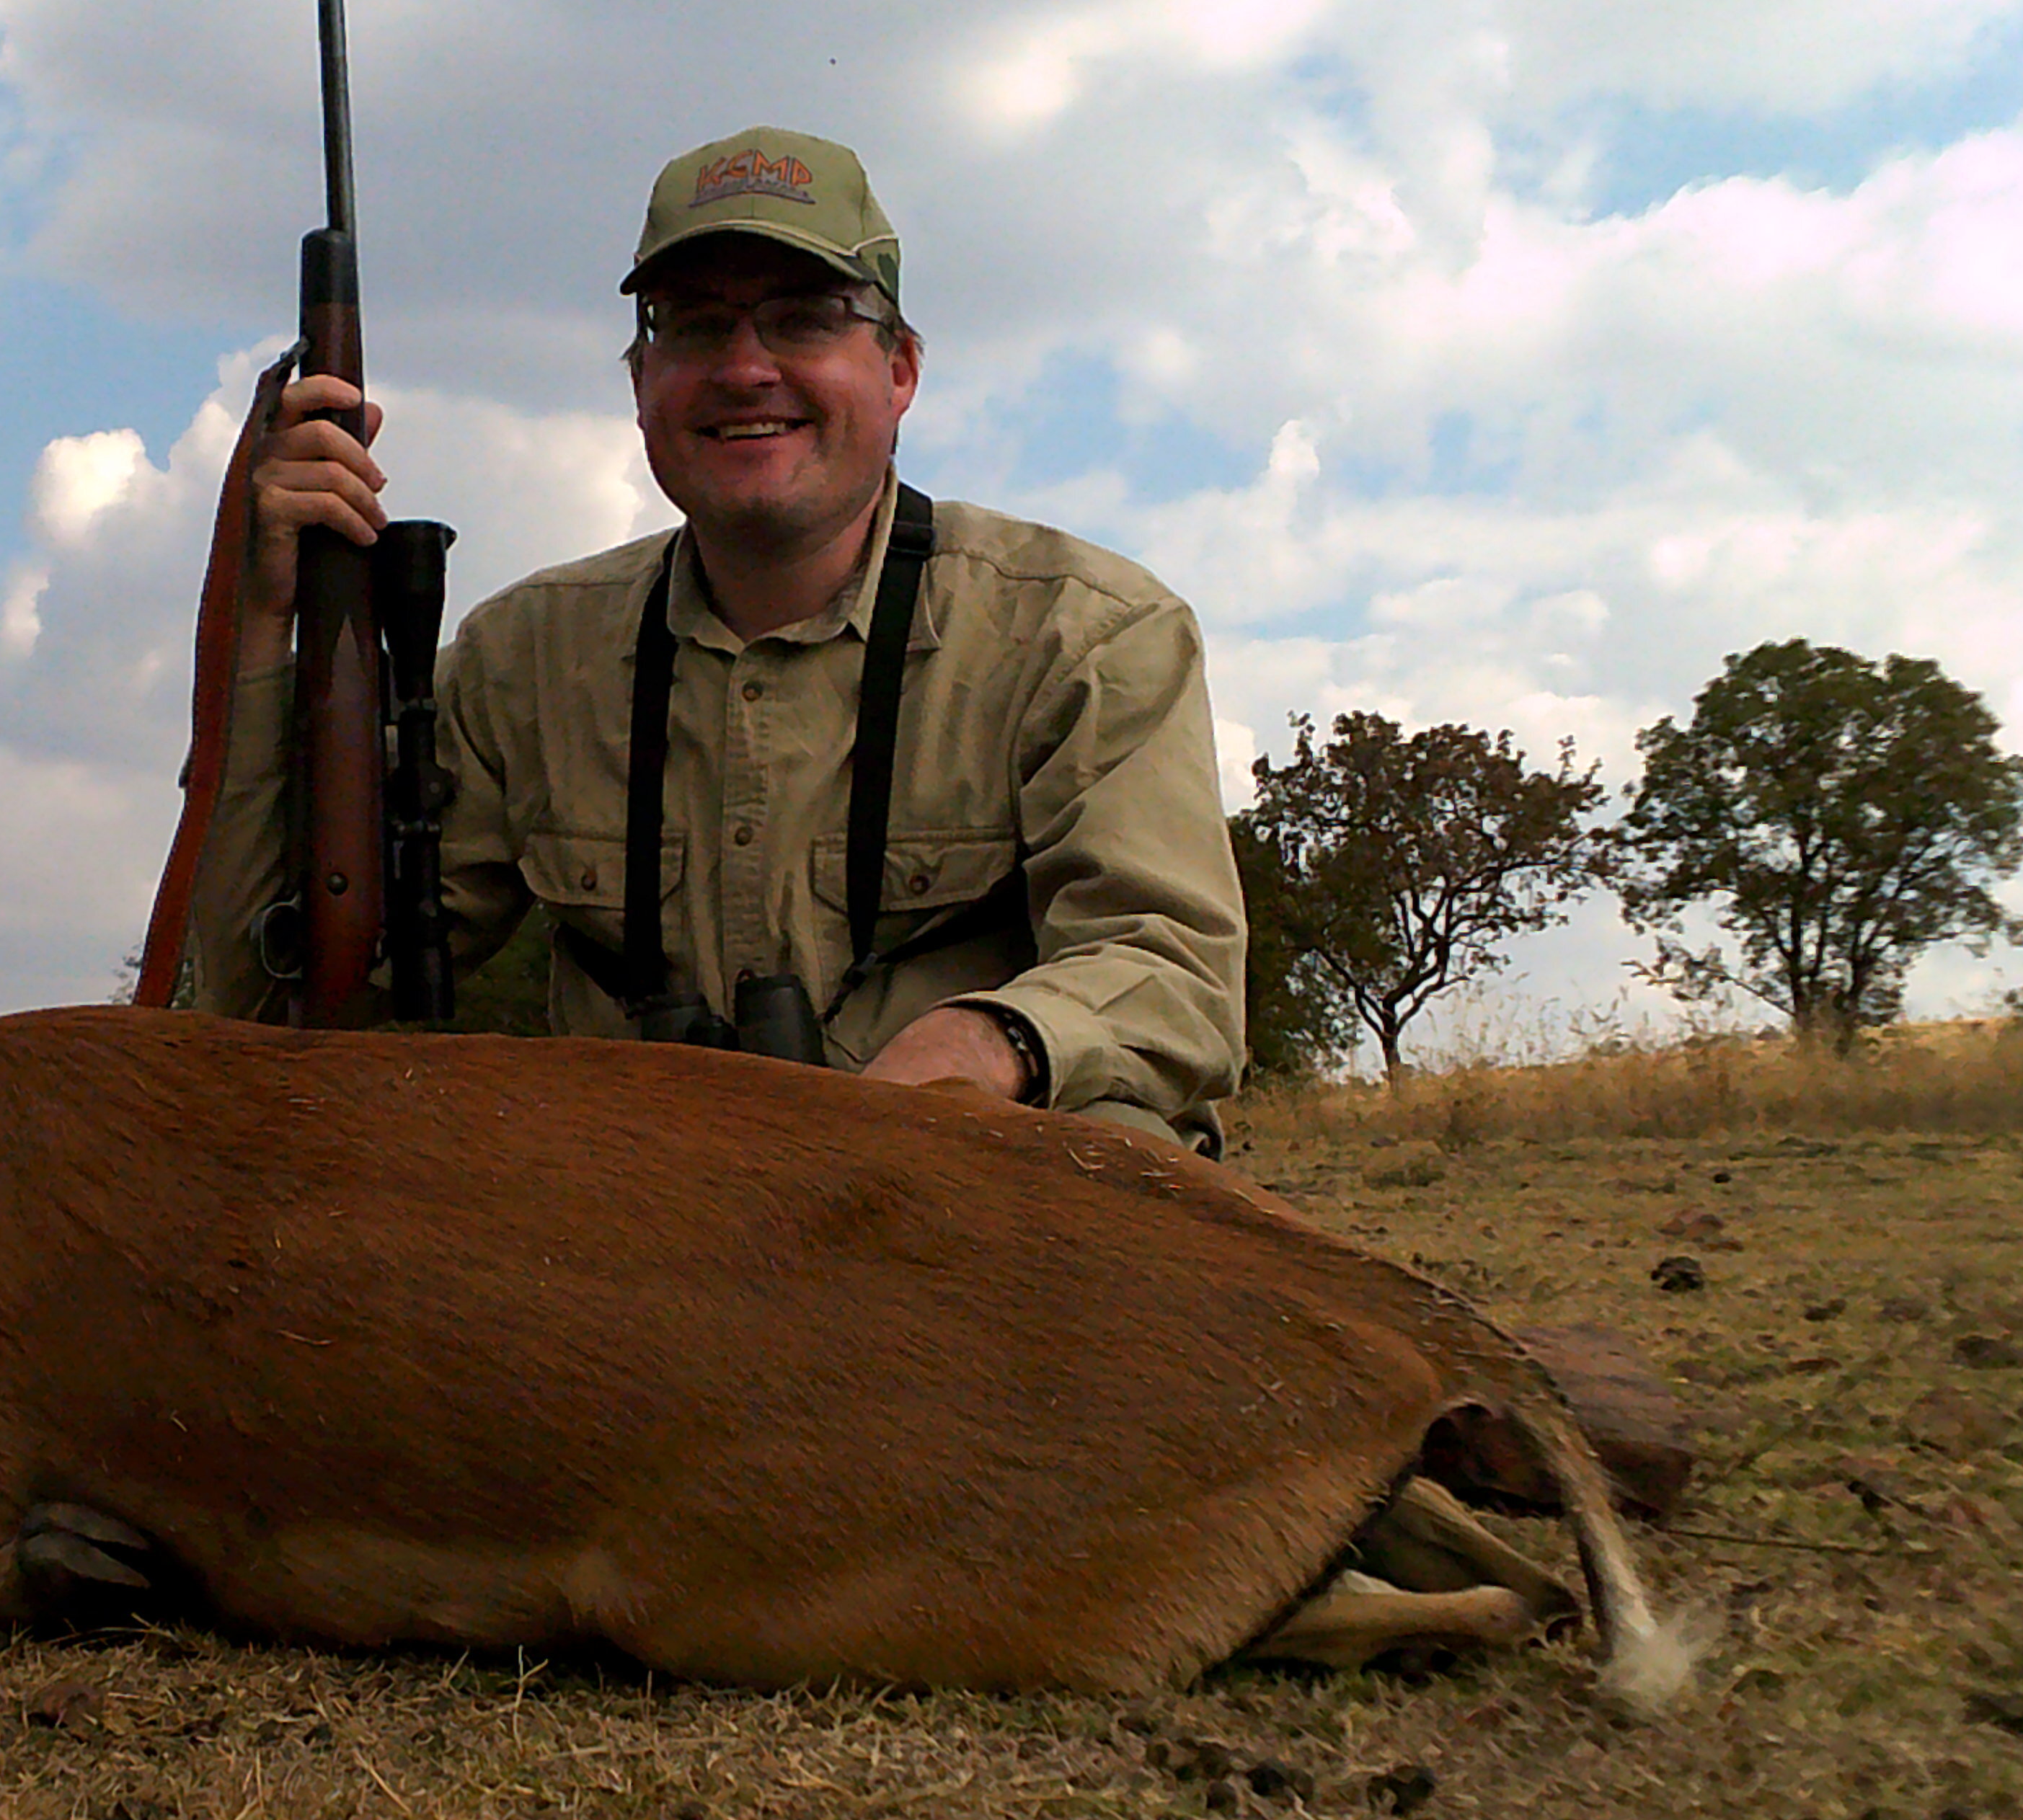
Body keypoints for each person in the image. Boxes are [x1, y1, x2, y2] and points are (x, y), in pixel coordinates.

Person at [185, 124, 1246, 1145]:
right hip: (647, 1229)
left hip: (966, 1220)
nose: (745, 367)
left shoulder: (1089, 634)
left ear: (901, 370)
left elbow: (1176, 975)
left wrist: (987, 1044)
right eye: (693, 324)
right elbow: (279, 1003)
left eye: (804, 318)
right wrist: (263, 622)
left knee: (1118, 1143)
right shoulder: (522, 662)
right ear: (641, 383)